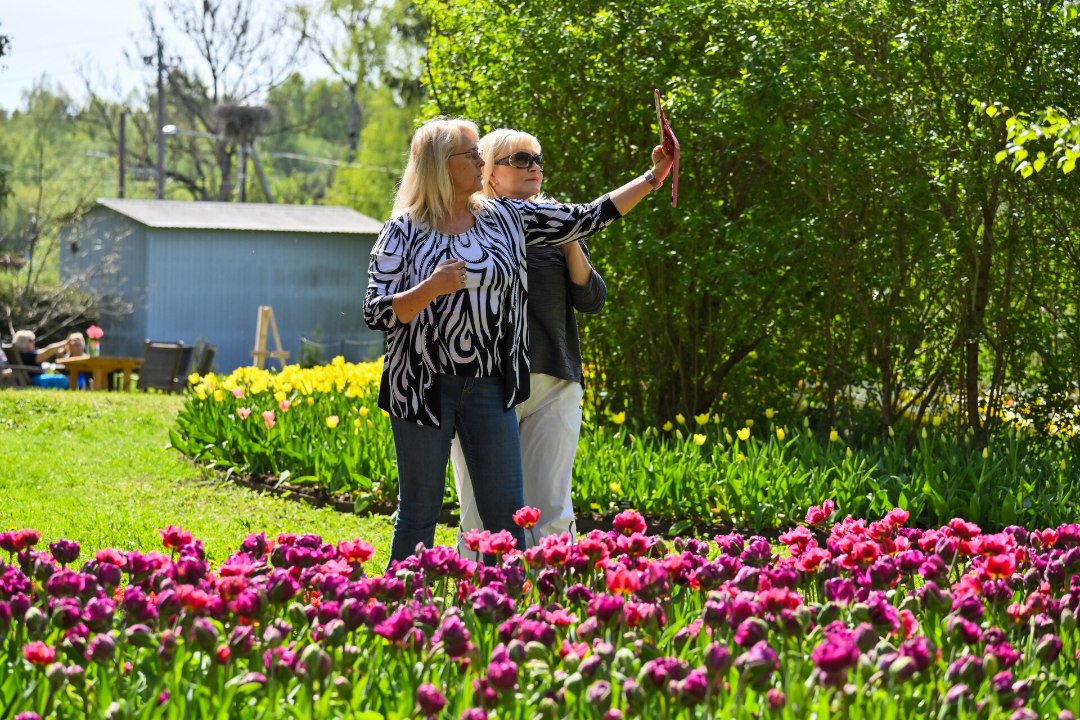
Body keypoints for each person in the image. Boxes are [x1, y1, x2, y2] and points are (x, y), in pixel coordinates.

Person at [364, 117, 673, 565]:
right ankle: (400, 611)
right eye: (470, 154)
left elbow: (588, 215)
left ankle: (500, 608)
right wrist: (429, 288)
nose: (478, 160)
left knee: (505, 520)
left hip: (490, 387)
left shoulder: (506, 218)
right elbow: (376, 311)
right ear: (440, 165)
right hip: (421, 389)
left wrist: (652, 177)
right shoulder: (403, 229)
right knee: (418, 511)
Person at [450, 129, 604, 551]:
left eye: (537, 159)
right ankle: (480, 604)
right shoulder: (466, 223)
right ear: (491, 173)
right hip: (485, 384)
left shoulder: (556, 221)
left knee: (552, 506)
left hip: (553, 379)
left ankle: (552, 606)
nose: (534, 167)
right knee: (481, 512)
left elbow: (591, 299)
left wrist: (569, 237)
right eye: (521, 159)